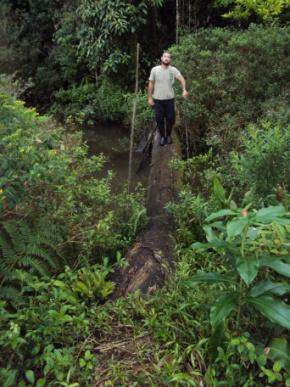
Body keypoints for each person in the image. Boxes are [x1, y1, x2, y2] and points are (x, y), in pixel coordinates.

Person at [147, 51, 188, 146]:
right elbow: (151, 84)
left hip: (170, 99)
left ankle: (168, 135)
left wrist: (184, 90)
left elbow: (182, 79)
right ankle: (162, 136)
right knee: (159, 119)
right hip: (157, 99)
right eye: (165, 56)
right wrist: (149, 98)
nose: (166, 58)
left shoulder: (173, 70)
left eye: (168, 57)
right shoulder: (155, 70)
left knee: (171, 119)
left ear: (170, 59)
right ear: (161, 58)